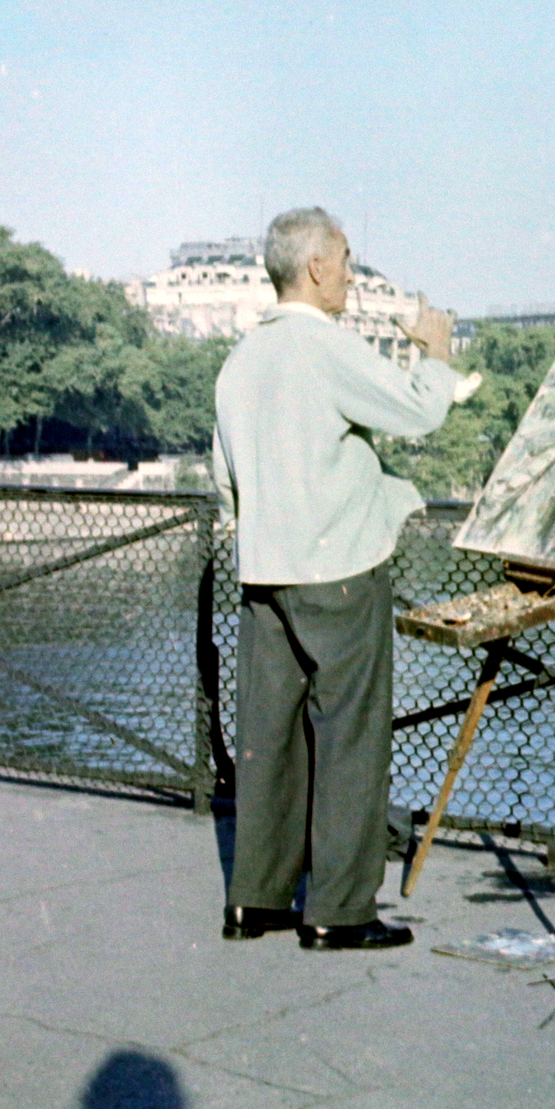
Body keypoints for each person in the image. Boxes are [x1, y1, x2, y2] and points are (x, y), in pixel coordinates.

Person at [212, 206, 475, 950]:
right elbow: (419, 411)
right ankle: (339, 910)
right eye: (350, 262)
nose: (353, 279)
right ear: (319, 267)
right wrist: (433, 349)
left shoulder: (239, 361)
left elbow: (223, 481)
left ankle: (254, 899)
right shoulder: (323, 348)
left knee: (270, 741)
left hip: (266, 574)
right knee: (351, 739)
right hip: (340, 569)